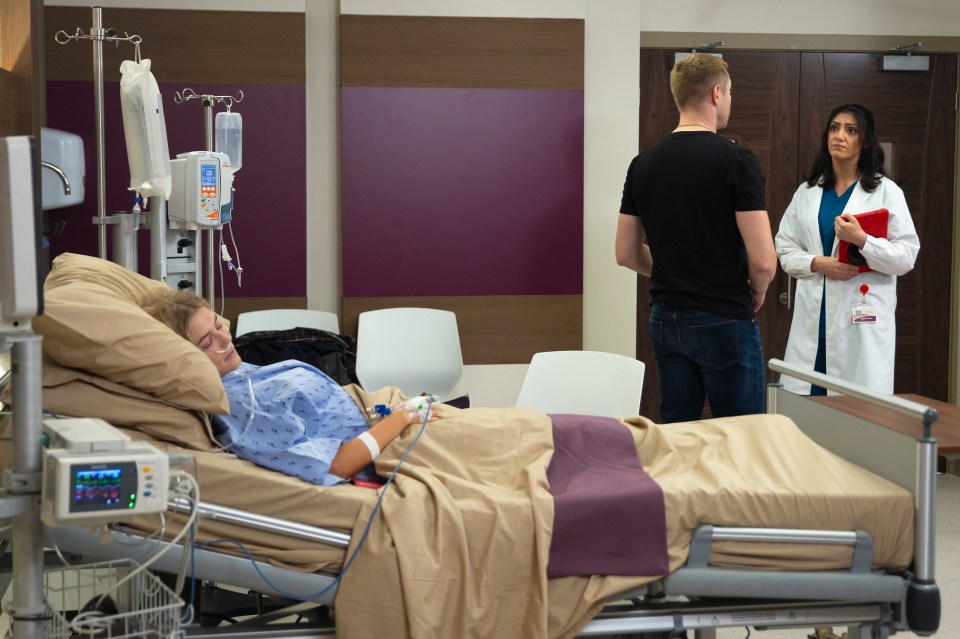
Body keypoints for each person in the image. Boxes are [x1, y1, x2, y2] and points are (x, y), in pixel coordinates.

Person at [615, 52, 777, 423]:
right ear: (717, 93)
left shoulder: (643, 163)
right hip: (722, 316)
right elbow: (764, 261)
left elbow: (625, 253)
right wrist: (759, 286)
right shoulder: (736, 160)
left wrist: (676, 269)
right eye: (731, 92)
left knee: (677, 433)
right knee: (741, 434)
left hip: (666, 318)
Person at [137, 288, 434, 486]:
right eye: (206, 341)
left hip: (379, 414)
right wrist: (402, 417)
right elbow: (338, 465)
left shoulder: (236, 371)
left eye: (218, 325)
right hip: (389, 447)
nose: (225, 339)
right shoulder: (239, 408)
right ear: (183, 359)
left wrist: (397, 413)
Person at [775, 104, 919, 395]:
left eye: (850, 130)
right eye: (834, 128)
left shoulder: (886, 192)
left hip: (861, 321)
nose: (839, 136)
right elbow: (785, 247)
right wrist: (816, 262)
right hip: (813, 322)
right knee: (808, 409)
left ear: (864, 142)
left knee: (856, 414)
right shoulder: (807, 192)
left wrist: (863, 240)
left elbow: (906, 257)